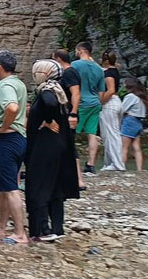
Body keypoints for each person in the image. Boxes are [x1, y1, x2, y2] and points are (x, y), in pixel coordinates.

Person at [25, 60, 80, 241]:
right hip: (59, 146)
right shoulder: (59, 89)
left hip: (45, 146)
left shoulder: (47, 90)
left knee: (39, 185)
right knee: (55, 187)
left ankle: (42, 230)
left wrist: (47, 120)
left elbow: (48, 104)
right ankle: (57, 227)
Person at [0, 50, 28, 244]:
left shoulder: (7, 85)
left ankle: (19, 234)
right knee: (4, 186)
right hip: (17, 139)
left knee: (11, 188)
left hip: (6, 140)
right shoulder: (17, 83)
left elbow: (12, 107)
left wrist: (4, 126)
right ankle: (1, 227)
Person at [71, 42, 106, 176]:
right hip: (95, 103)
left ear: (80, 51)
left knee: (71, 134)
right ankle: (91, 165)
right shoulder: (98, 69)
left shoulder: (75, 65)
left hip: (80, 103)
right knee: (92, 134)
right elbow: (101, 91)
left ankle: (74, 166)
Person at [52, 48, 84, 189]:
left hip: (68, 114)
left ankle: (78, 180)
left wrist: (73, 113)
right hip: (64, 113)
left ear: (58, 59)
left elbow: (76, 93)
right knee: (63, 145)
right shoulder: (68, 73)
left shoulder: (69, 73)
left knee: (69, 145)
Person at [98, 49, 125, 171]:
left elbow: (111, 90)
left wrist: (101, 102)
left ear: (106, 61)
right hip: (117, 103)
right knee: (110, 133)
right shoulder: (115, 71)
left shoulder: (108, 73)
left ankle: (117, 164)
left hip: (110, 103)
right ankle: (109, 162)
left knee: (111, 134)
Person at [120, 78, 148, 171]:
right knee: (137, 148)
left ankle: (121, 166)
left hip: (130, 121)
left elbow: (122, 109)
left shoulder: (130, 96)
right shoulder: (141, 97)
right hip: (138, 122)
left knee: (124, 147)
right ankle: (139, 169)